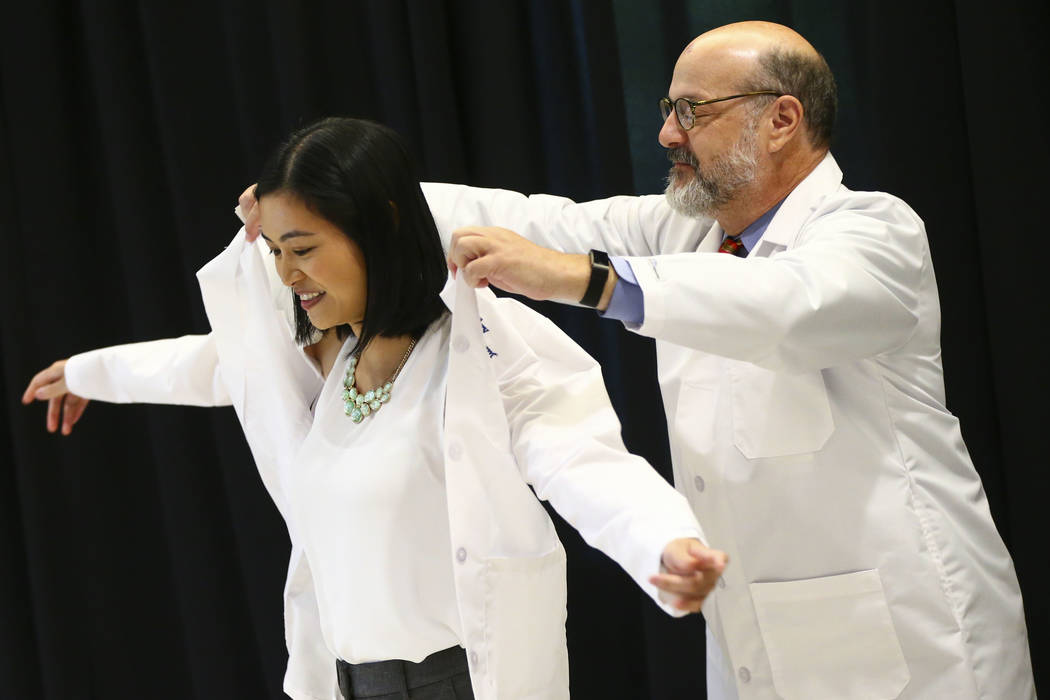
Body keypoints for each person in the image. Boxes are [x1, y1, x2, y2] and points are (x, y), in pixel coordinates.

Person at [419, 20, 1034, 700]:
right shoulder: (683, 231)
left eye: (692, 111)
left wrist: (587, 280)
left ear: (781, 119)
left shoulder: (875, 231)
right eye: (667, 111)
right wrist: (350, 193)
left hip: (915, 641)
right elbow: (531, 220)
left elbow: (784, 306)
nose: (667, 135)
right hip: (755, 644)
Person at [23, 117, 727, 700]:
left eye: (303, 248)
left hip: (462, 681)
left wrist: (662, 541)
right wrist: (88, 371)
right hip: (344, 681)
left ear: (381, 225)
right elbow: (212, 363)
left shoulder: (484, 347)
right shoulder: (327, 356)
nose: (287, 274)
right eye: (273, 252)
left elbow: (580, 456)